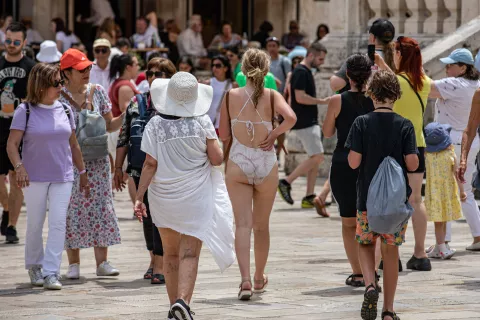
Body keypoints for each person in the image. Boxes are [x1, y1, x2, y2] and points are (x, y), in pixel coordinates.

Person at [135, 72, 235, 320]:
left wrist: (139, 197)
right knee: (190, 253)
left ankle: (173, 306)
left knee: (169, 253)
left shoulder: (155, 125)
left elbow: (149, 164)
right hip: (195, 197)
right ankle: (183, 302)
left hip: (164, 198)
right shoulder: (201, 122)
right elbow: (217, 159)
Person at [219, 48, 296, 301]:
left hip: (238, 160)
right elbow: (291, 118)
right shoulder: (272, 95)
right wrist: (273, 134)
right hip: (265, 160)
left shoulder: (230, 95)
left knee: (243, 225)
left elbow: (223, 135)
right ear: (266, 69)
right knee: (261, 227)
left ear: (242, 69)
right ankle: (260, 276)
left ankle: (245, 281)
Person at [7, 63, 88, 290]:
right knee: (35, 223)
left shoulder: (65, 110)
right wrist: (19, 167)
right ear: (41, 85)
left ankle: (52, 272)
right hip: (34, 177)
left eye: (62, 82)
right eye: (57, 83)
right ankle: (35, 265)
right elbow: (12, 144)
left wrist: (82, 173)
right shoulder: (25, 110)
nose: (61, 87)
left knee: (58, 223)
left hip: (63, 175)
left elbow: (74, 145)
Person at [346, 70, 419, 320]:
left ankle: (369, 285)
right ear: (396, 96)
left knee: (365, 243)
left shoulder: (361, 123)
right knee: (391, 252)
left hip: (367, 198)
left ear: (371, 94)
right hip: (396, 204)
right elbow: (412, 163)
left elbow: (354, 163)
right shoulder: (405, 124)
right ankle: (388, 310)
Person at [59, 49, 124, 279]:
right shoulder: (57, 97)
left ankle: (102, 262)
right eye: (80, 69)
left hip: (98, 163)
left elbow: (109, 126)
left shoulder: (98, 92)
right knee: (71, 209)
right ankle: (73, 263)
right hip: (69, 163)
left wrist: (126, 114)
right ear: (65, 73)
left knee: (101, 208)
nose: (87, 72)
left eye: (88, 68)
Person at [116, 58, 176, 285]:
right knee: (147, 216)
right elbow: (124, 135)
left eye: (160, 73)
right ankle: (153, 259)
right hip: (140, 168)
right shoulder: (135, 102)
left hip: (167, 170)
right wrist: (117, 168)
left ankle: (160, 263)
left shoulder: (177, 104)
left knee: (161, 217)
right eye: (150, 73)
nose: (153, 78)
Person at [376, 36, 432, 272]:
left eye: (397, 52)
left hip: (394, 145)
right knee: (416, 200)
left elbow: (394, 83)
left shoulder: (394, 82)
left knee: (391, 201)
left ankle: (389, 255)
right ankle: (420, 253)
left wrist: (379, 63)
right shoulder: (426, 82)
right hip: (417, 144)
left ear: (400, 55)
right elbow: (404, 81)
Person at [323, 53, 375, 287]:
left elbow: (327, 132)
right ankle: (371, 271)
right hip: (370, 163)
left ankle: (357, 272)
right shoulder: (376, 99)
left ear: (347, 75)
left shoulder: (337, 100)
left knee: (348, 222)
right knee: (372, 220)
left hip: (344, 163)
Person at [428, 48, 480, 251]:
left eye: (450, 65)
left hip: (452, 141)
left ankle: (444, 242)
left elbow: (424, 87)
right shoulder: (475, 84)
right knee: (464, 190)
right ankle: (478, 236)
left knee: (445, 189)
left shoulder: (454, 84)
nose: (446, 68)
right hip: (471, 140)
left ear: (463, 68)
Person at [277, 42, 330, 208]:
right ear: (311, 55)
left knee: (314, 158)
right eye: (320, 58)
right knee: (318, 156)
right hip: (304, 122)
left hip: (308, 121)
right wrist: (322, 101)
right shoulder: (301, 71)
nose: (322, 62)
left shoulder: (304, 71)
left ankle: (309, 195)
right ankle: (286, 182)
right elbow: (300, 97)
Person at [0, 22, 36, 244]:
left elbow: (38, 97)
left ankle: (12, 225)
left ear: (23, 42)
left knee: (16, 177)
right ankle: (6, 207)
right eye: (8, 40)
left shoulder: (31, 67)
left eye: (16, 42)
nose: (11, 45)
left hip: (21, 131)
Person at [424, 122, 465, 259]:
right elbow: (457, 175)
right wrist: (462, 191)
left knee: (439, 222)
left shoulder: (427, 156)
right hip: (447, 193)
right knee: (443, 220)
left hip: (434, 194)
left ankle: (438, 246)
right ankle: (441, 247)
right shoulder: (451, 154)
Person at [108, 54, 140, 207]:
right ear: (128, 67)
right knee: (132, 172)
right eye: (136, 63)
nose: (138, 67)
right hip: (122, 133)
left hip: (119, 132)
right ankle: (137, 207)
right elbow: (126, 109)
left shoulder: (120, 83)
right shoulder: (125, 86)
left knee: (125, 173)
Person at [330, 18, 395, 94]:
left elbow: (335, 85)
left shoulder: (359, 60)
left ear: (372, 38)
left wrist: (337, 74)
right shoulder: (399, 60)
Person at [205, 55, 234, 131]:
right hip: (209, 126)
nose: (214, 68)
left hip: (225, 127)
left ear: (225, 68)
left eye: (218, 65)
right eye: (213, 65)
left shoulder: (233, 85)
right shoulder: (207, 84)